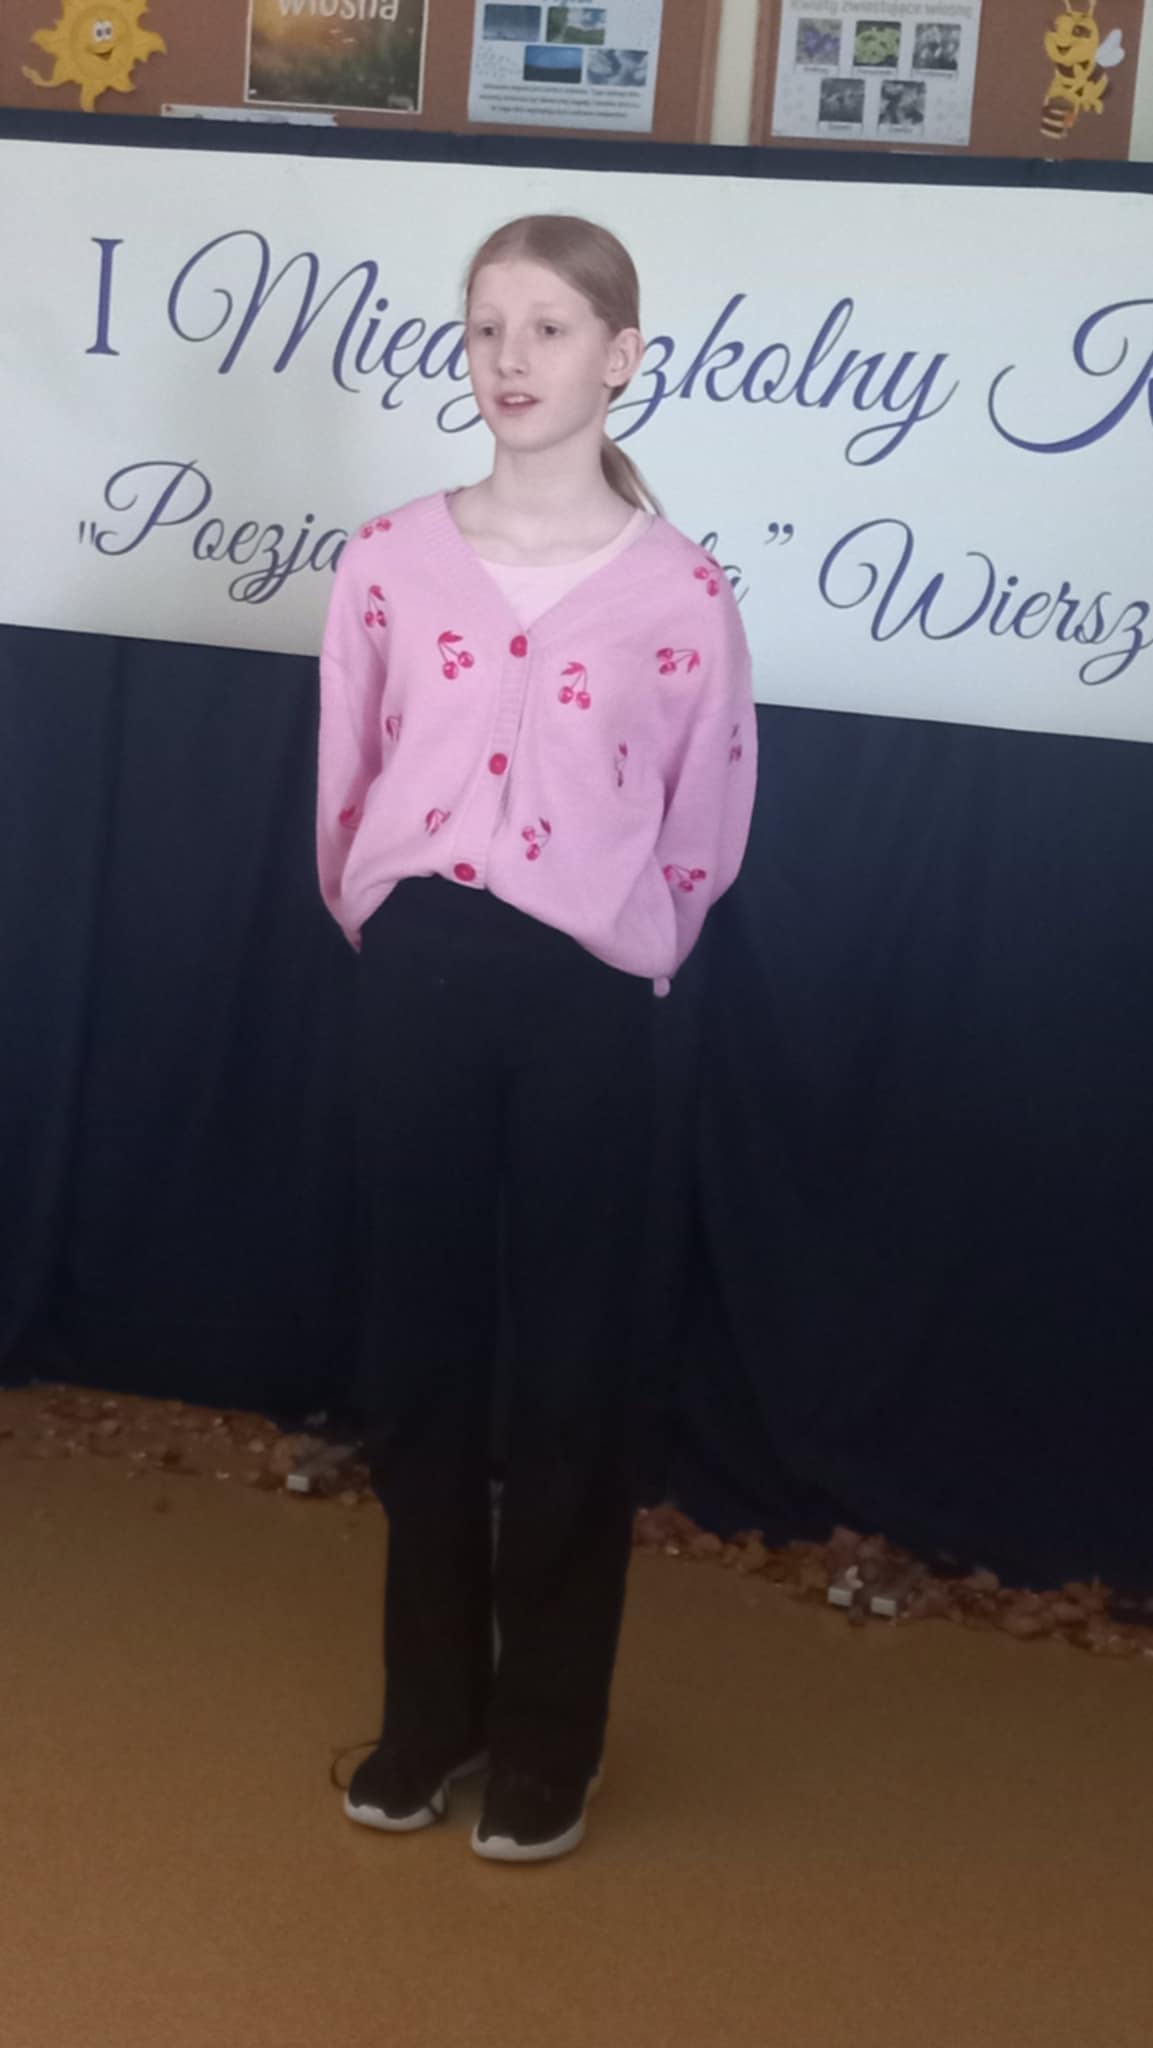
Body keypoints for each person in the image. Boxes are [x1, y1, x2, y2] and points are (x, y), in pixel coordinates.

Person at [316, 212, 758, 1863]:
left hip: (586, 993)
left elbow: (703, 819)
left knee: (573, 1365)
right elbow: (346, 774)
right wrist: (390, 914)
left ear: (619, 357)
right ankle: (430, 1711)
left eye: (551, 328)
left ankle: (548, 1740)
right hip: (420, 976)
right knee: (418, 1355)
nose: (512, 358)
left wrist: (621, 944)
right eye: (488, 325)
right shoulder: (387, 560)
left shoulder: (678, 594)